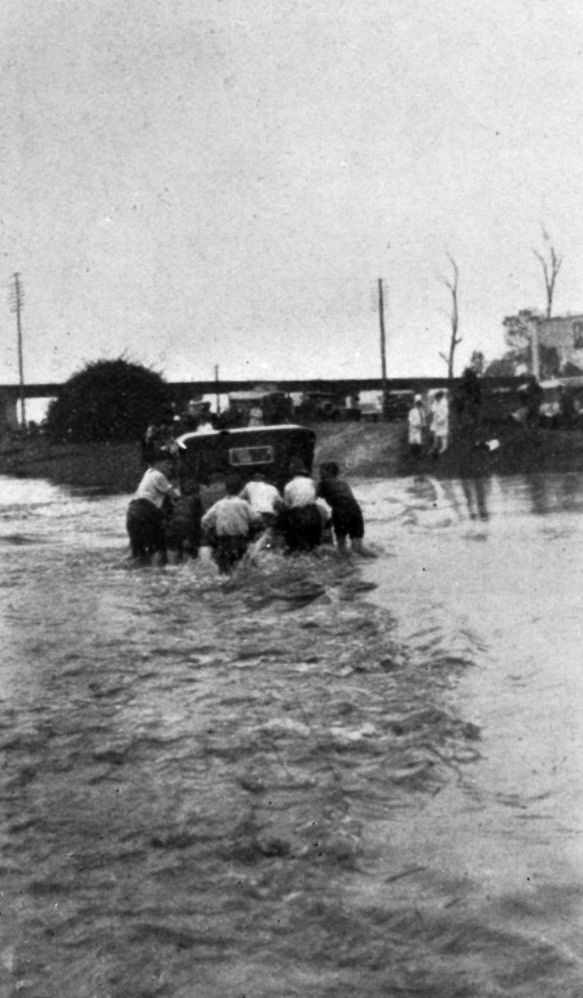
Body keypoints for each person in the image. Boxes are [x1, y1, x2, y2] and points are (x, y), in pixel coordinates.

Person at [126, 453, 180, 564]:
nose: (170, 467)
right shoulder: (159, 475)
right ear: (158, 463)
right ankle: (158, 573)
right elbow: (174, 495)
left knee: (138, 552)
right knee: (158, 547)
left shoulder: (148, 473)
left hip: (132, 511)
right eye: (167, 463)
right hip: (146, 510)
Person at [201, 476, 261, 574]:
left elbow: (204, 521)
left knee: (224, 573)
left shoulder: (219, 504)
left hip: (224, 543)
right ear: (240, 490)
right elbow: (256, 518)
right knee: (244, 572)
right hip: (240, 542)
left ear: (226, 490)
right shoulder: (243, 503)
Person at [317, 461, 373, 556]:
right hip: (355, 509)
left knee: (341, 547)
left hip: (340, 510)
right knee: (358, 548)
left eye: (321, 471)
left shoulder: (323, 483)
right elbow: (344, 499)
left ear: (329, 472)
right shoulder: (344, 483)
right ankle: (377, 559)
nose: (319, 474)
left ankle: (345, 566)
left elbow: (312, 495)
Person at [281, 459, 322, 552]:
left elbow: (287, 505)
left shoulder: (288, 486)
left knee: (300, 546)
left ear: (292, 473)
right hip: (313, 513)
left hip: (298, 515)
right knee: (316, 546)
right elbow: (316, 497)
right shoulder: (312, 482)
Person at [165, 482, 203, 565]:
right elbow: (199, 520)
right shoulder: (196, 499)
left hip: (172, 528)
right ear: (196, 491)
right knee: (190, 559)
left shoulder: (179, 500)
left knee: (172, 565)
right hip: (187, 527)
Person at [430, 390, 450, 456]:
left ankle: (444, 447)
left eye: (438, 398)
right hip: (436, 420)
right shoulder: (435, 402)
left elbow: (446, 413)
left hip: (442, 421)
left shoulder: (444, 402)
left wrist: (440, 419)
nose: (437, 399)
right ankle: (435, 447)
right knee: (435, 434)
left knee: (443, 435)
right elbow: (433, 410)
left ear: (440, 397)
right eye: (436, 398)